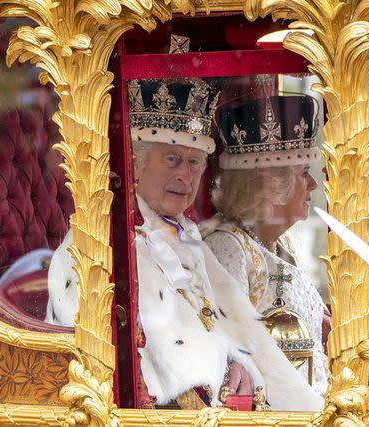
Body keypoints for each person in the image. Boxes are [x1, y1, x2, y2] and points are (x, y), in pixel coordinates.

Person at [47, 78, 323, 411]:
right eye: (172, 160)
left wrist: (241, 366)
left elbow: (229, 334)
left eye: (194, 163)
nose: (186, 176)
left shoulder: (187, 237)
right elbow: (131, 382)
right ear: (136, 164)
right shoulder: (99, 244)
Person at [201, 94, 330, 395]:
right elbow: (232, 356)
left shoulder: (282, 243)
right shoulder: (228, 248)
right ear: (271, 183)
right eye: (302, 173)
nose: (312, 183)